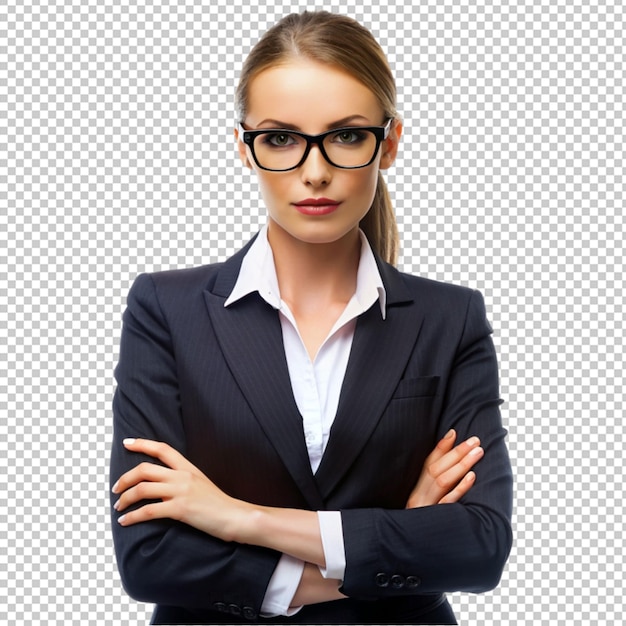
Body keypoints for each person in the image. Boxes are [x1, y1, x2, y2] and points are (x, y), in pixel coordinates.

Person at [109, 10, 513, 625]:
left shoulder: (449, 318)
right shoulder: (166, 310)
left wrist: (240, 517)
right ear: (244, 148)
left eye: (347, 136)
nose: (315, 170)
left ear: (391, 142)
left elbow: (479, 548)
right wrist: (399, 537)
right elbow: (150, 559)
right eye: (281, 138)